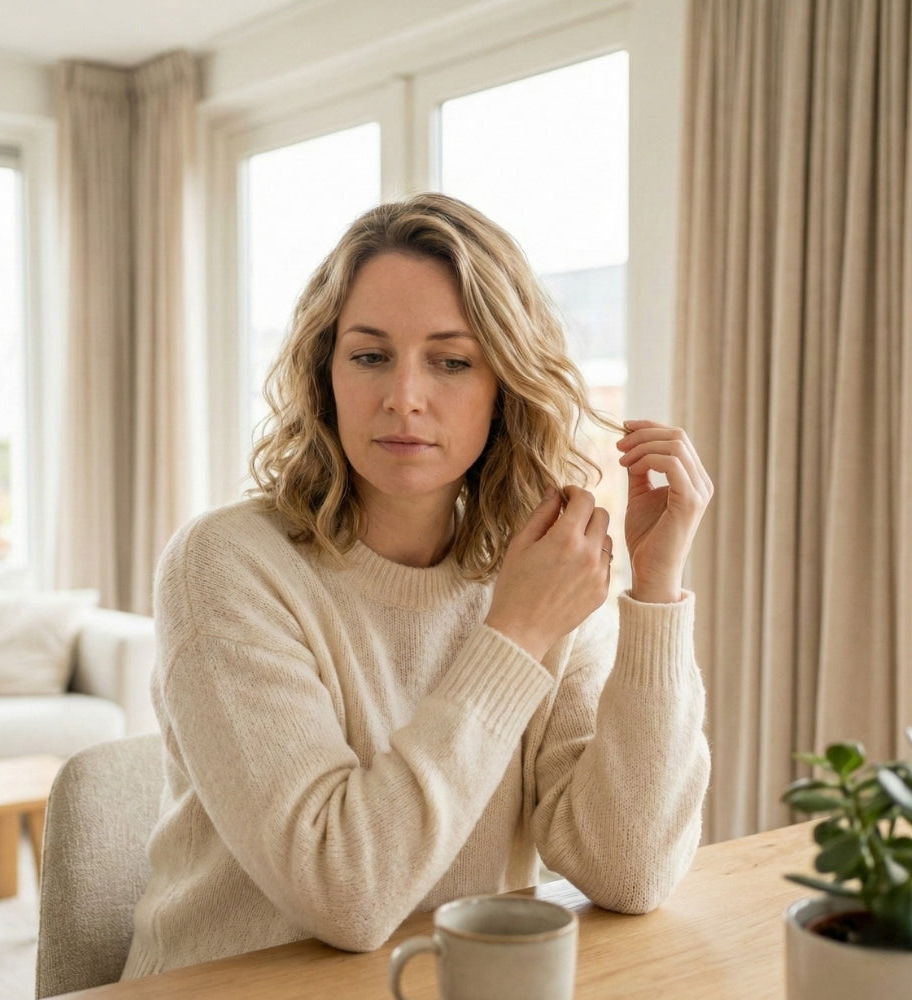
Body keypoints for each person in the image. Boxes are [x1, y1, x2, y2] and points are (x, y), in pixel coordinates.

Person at [122, 192, 713, 979]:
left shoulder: (541, 571)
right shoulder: (225, 564)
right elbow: (345, 893)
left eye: (451, 361)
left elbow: (630, 870)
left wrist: (657, 592)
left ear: (504, 388)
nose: (404, 396)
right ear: (326, 375)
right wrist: (514, 636)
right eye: (370, 356)